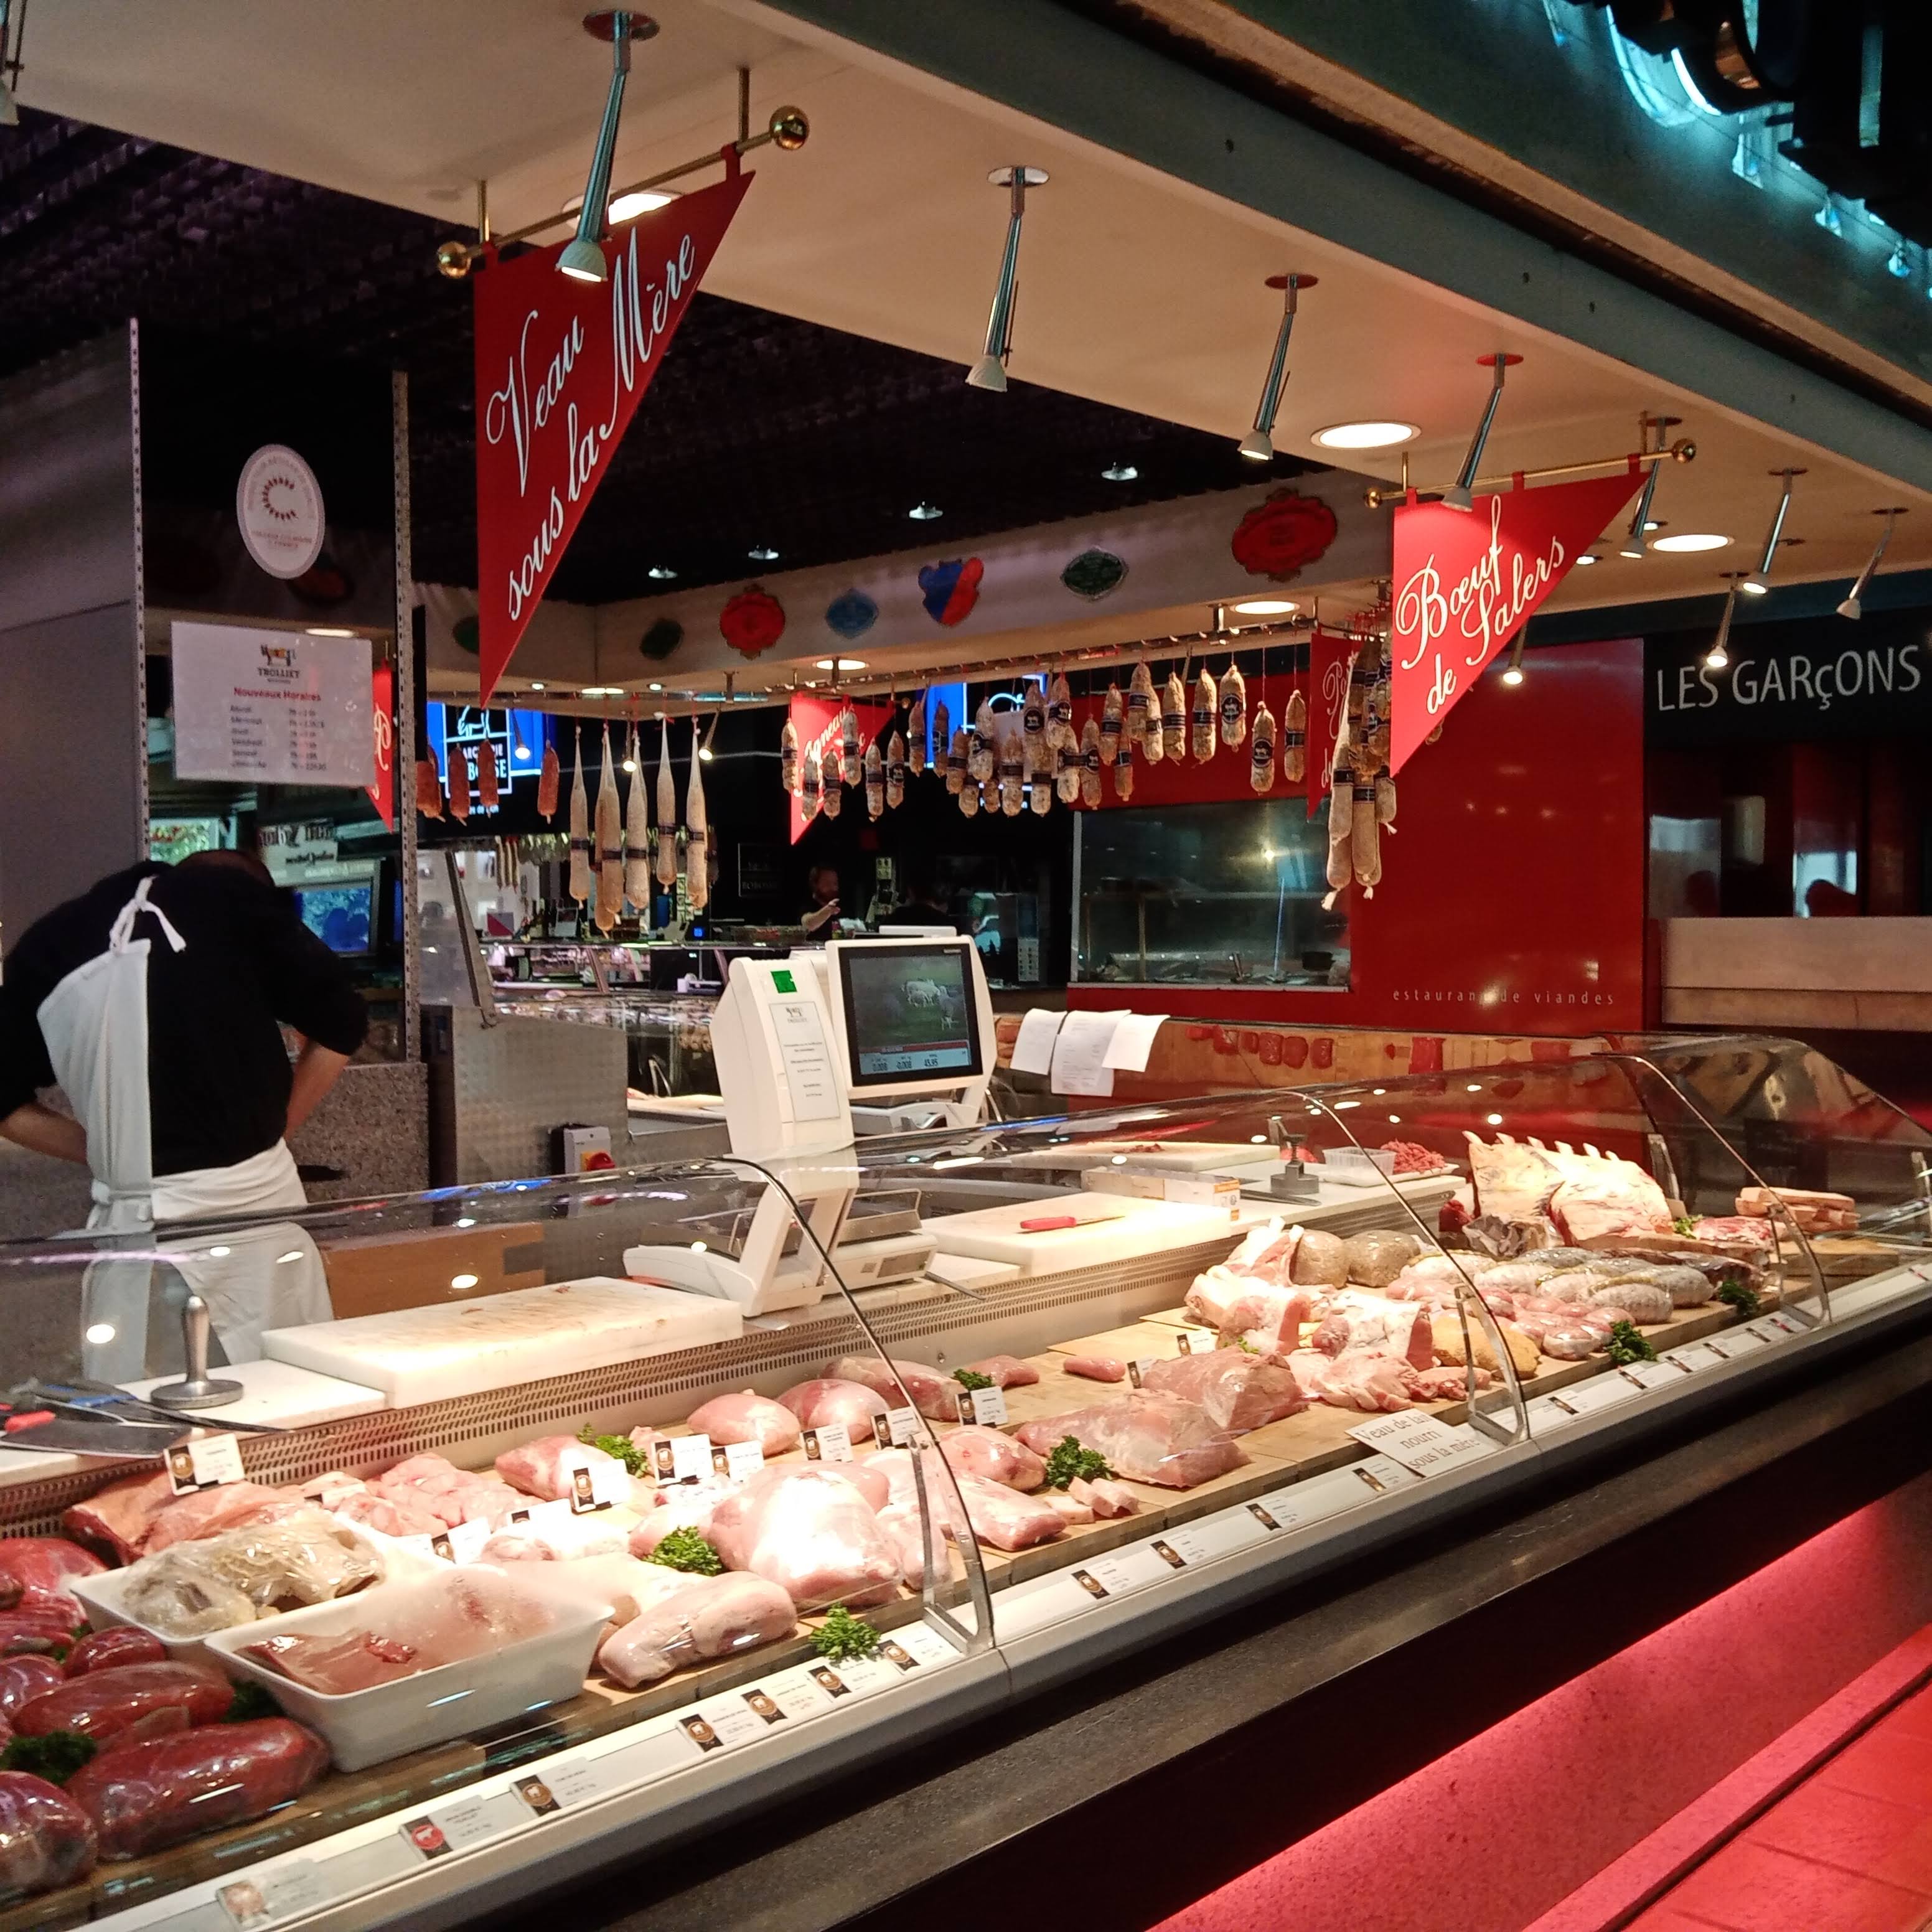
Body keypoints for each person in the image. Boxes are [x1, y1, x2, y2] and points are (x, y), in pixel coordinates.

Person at [0, 850, 368, 1371]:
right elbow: (344, 1022)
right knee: (282, 1390)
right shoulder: (236, 901)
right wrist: (279, 1127)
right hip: (254, 1217)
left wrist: (113, 1153)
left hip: (131, 1232)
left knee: (146, 1395)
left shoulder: (49, 941)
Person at [801, 862, 842, 936]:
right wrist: (827, 911)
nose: (833, 888)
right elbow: (808, 924)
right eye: (827, 883)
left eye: (835, 883)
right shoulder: (807, 906)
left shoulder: (840, 906)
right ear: (815, 885)